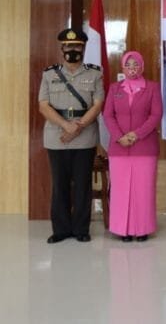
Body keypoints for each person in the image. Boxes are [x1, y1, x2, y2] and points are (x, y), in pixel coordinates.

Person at [38, 28, 105, 243]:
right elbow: (43, 105)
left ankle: (80, 229)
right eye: (68, 46)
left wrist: (77, 127)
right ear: (62, 49)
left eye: (77, 46)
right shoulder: (49, 74)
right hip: (56, 136)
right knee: (60, 185)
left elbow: (98, 104)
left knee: (83, 185)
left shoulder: (95, 74)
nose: (72, 50)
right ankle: (61, 229)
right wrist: (66, 126)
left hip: (84, 137)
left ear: (83, 49)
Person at [103, 50, 163, 242]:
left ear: (142, 67)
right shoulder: (115, 88)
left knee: (143, 190)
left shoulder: (152, 87)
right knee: (120, 190)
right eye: (128, 65)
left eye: (136, 64)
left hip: (145, 147)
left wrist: (136, 134)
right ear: (122, 67)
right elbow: (108, 115)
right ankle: (122, 230)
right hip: (119, 148)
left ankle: (142, 229)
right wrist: (119, 136)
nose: (132, 68)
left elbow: (156, 115)